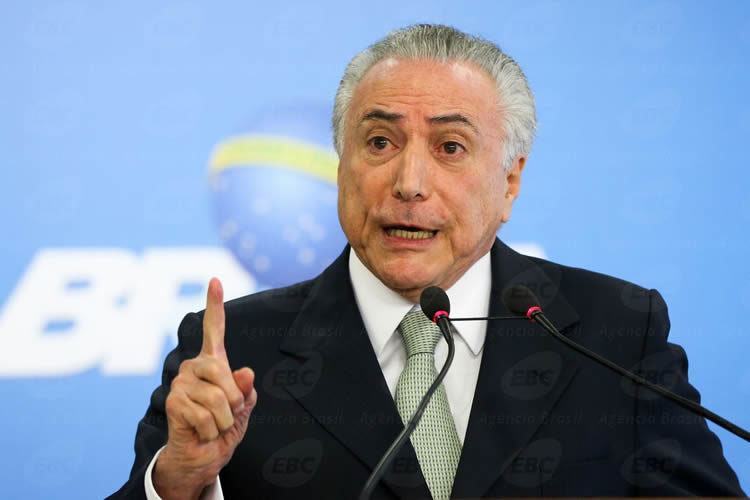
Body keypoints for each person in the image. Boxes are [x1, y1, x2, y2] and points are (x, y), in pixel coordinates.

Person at [110, 24, 744, 499]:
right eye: (380, 142)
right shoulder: (235, 350)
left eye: (450, 146)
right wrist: (180, 480)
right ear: (341, 165)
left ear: (510, 181)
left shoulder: (616, 332)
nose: (410, 182)